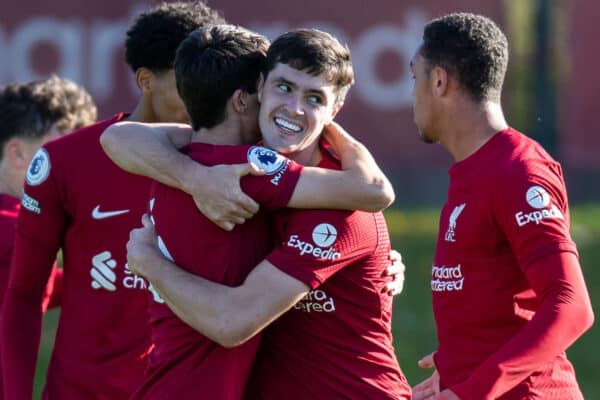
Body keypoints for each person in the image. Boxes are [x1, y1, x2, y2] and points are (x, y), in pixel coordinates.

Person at [112, 28, 411, 399]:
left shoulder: (340, 205)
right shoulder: (239, 167)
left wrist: (149, 261)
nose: (294, 108)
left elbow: (232, 320)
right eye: (284, 87)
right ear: (259, 87)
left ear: (334, 112)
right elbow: (119, 138)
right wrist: (196, 179)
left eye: (314, 98)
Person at [0, 2, 229, 399]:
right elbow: (23, 294)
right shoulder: (65, 162)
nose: (203, 98)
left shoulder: (233, 164)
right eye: (186, 82)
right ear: (146, 80)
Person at [409, 13, 594, 400]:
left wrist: (473, 389)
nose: (414, 94)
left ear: (439, 81)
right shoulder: (473, 169)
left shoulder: (518, 170)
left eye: (415, 78)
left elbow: (571, 305)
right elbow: (499, 299)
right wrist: (457, 363)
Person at [0, 75, 97, 399]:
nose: (82, 166)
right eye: (66, 151)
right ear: (16, 154)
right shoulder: (16, 233)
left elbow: (40, 284)